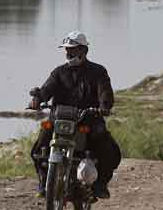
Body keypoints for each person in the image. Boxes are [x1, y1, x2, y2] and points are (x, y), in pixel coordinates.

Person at [28, 30, 122, 199]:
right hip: (60, 117)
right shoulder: (59, 72)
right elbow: (46, 89)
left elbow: (105, 92)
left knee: (108, 149)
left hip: (89, 118)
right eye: (66, 50)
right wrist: (37, 99)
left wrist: (104, 106)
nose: (68, 53)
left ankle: (100, 185)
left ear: (83, 51)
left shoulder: (98, 71)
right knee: (38, 148)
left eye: (72, 49)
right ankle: (43, 183)